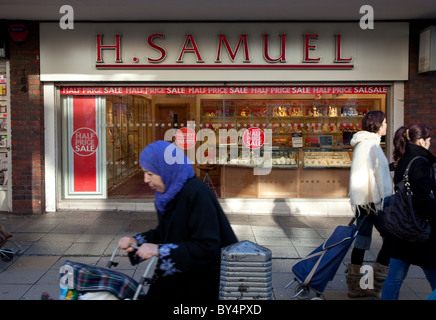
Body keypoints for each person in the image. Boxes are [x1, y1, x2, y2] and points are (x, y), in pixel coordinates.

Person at [118, 140, 238, 302]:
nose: (146, 179)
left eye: (150, 173)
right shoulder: (167, 195)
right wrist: (136, 241)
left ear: (166, 170)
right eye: (145, 173)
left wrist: (159, 250)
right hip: (181, 274)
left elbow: (208, 245)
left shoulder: (196, 193)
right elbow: (165, 232)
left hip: (203, 282)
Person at [381, 124, 436, 300]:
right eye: (429, 140)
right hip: (419, 230)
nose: (429, 143)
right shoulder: (420, 162)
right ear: (421, 141)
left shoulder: (402, 159)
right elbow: (423, 200)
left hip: (400, 227)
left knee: (394, 277)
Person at [346, 110, 393, 298]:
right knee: (391, 238)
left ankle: (356, 286)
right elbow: (367, 174)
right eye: (385, 122)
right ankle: (376, 281)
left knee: (362, 241)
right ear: (377, 124)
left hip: (366, 201)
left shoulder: (368, 144)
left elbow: (371, 171)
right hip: (372, 201)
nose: (387, 126)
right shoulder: (369, 145)